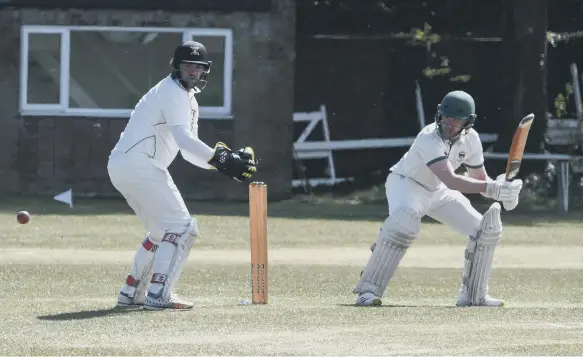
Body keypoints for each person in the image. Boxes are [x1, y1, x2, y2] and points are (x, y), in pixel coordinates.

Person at [107, 41, 257, 310]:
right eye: (188, 66)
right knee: (183, 227)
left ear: (205, 71)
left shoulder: (187, 99)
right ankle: (158, 295)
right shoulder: (171, 91)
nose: (193, 72)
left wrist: (223, 165)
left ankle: (132, 292)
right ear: (176, 66)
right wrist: (224, 159)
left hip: (125, 165)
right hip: (140, 164)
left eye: (198, 68)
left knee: (160, 232)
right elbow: (183, 139)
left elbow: (188, 152)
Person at [353, 90, 523, 307]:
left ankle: (474, 296)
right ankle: (367, 291)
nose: (450, 126)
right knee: (404, 224)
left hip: (439, 191)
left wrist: (502, 190)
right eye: (446, 120)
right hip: (407, 184)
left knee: (484, 231)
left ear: (468, 122)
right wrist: (492, 188)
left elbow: (480, 180)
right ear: (439, 116)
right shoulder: (428, 137)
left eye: (456, 122)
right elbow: (452, 179)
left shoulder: (471, 140)